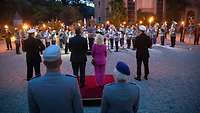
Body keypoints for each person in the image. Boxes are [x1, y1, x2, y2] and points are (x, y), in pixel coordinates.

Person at [28, 45, 83, 113]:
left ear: (44, 63)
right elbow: (78, 109)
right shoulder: (72, 82)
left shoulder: (33, 84)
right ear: (60, 62)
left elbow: (33, 110)